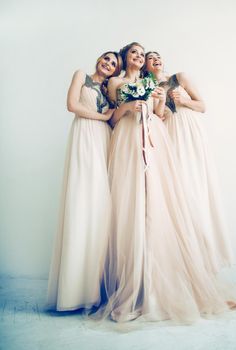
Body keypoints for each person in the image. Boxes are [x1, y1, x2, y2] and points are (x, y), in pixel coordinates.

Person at [100, 42, 236, 324]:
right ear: (126, 57)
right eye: (134, 53)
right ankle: (134, 286)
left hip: (153, 140)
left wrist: (160, 100)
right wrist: (128, 107)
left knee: (156, 203)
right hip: (127, 139)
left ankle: (163, 284)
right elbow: (112, 119)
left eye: (143, 54)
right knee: (131, 204)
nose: (139, 57)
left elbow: (161, 115)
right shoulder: (115, 81)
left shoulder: (151, 81)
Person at [145, 51, 235, 275]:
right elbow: (156, 117)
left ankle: (206, 261)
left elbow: (202, 105)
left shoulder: (180, 77)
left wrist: (183, 100)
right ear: (146, 66)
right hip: (171, 136)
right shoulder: (148, 87)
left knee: (195, 185)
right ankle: (182, 260)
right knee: (180, 190)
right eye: (150, 57)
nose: (156, 59)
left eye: (158, 56)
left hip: (190, 131)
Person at [46, 51, 122, 311]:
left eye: (113, 64)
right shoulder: (81, 75)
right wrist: (102, 117)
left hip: (104, 140)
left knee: (100, 206)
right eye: (106, 59)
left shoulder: (108, 89)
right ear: (99, 59)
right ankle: (73, 291)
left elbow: (116, 117)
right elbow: (72, 106)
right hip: (84, 136)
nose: (108, 64)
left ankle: (96, 288)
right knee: (82, 200)